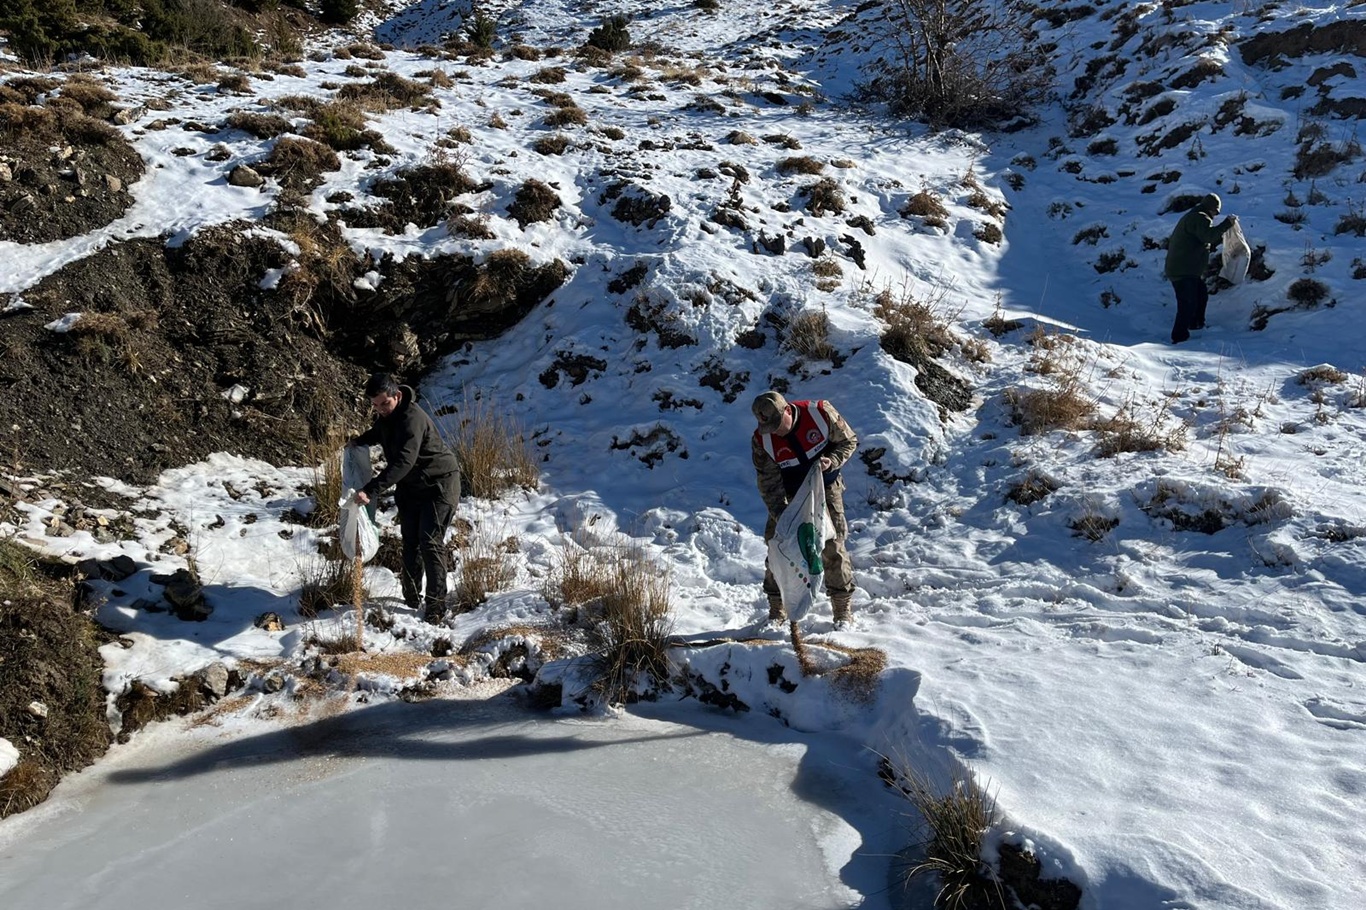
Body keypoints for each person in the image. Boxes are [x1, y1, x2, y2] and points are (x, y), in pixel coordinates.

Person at [350, 373, 461, 623]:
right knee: (410, 540)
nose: (380, 410)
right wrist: (358, 442)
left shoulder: (413, 420)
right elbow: (378, 432)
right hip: (411, 488)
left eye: (384, 404)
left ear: (397, 396)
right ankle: (411, 597)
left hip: (439, 483)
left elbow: (404, 462)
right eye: (375, 405)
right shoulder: (386, 417)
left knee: (429, 541)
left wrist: (371, 489)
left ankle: (435, 607)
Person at [751, 390, 858, 626]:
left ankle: (842, 609)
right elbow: (768, 482)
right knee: (777, 547)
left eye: (779, 424)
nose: (776, 431)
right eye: (770, 427)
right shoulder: (762, 440)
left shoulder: (820, 413)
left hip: (825, 489)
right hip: (789, 496)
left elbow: (849, 441)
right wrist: (782, 514)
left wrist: (833, 461)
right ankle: (776, 608)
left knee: (833, 546)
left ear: (787, 410)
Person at [1165, 192, 1238, 344]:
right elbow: (1208, 237)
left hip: (1186, 270)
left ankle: (1196, 325)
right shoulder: (1199, 218)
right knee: (1187, 303)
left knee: (1200, 295)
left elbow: (1204, 239)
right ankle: (1179, 337)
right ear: (1210, 208)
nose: (1215, 215)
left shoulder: (1195, 217)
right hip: (1182, 271)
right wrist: (1226, 224)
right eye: (1215, 211)